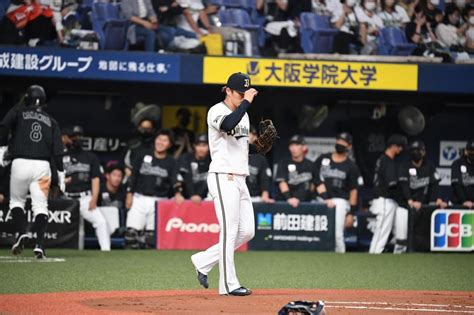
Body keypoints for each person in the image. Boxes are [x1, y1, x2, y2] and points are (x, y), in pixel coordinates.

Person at [191, 72, 261, 296]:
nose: (243, 97)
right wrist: (247, 102)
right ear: (227, 90)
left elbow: (242, 147)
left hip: (241, 177)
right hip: (222, 176)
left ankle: (203, 260)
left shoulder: (244, 114)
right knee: (229, 231)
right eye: (240, 93)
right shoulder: (217, 110)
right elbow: (228, 124)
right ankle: (229, 285)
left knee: (247, 231)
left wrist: (260, 147)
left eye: (246, 93)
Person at [0, 85, 64, 259]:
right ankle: (40, 245)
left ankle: (22, 233)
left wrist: (2, 148)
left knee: (17, 202)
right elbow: (58, 152)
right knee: (41, 207)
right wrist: (61, 173)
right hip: (42, 167)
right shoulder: (51, 120)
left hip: (20, 163)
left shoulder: (18, 112)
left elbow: (4, 126)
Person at [125, 129, 184, 249]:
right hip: (139, 198)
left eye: (165, 140)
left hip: (159, 201)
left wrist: (178, 193)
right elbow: (133, 176)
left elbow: (175, 180)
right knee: (131, 236)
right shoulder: (142, 154)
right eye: (159, 139)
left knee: (150, 239)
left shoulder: (171, 161)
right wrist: (129, 194)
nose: (161, 142)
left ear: (170, 144)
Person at [62, 125, 111, 251]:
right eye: (73, 137)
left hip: (85, 198)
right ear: (66, 138)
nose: (76, 139)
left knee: (101, 222)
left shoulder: (90, 156)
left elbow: (96, 178)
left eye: (78, 136)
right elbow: (53, 179)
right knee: (77, 231)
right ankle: (76, 257)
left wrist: (94, 199)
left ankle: (106, 251)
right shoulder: (60, 156)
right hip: (66, 198)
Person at [395, 140, 447, 253]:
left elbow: (435, 184)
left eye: (418, 150)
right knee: (401, 239)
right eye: (413, 150)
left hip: (422, 207)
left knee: (422, 238)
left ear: (424, 152)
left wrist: (438, 198)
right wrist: (410, 200)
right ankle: (396, 261)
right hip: (404, 206)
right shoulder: (405, 166)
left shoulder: (429, 166)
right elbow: (404, 186)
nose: (416, 153)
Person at [313, 132, 362, 253]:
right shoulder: (323, 158)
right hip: (320, 199)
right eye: (338, 141)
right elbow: (315, 178)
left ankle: (340, 258)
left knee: (336, 234)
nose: (340, 144)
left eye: (343, 142)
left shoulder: (351, 166)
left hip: (340, 201)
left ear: (349, 146)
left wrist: (351, 213)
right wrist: (323, 196)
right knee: (317, 232)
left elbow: (353, 191)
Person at [369, 134, 407, 254]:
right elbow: (392, 185)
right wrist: (404, 198)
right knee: (382, 232)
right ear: (394, 146)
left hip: (384, 200)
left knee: (397, 232)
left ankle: (397, 255)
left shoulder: (381, 159)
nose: (400, 150)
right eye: (400, 147)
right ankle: (373, 256)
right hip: (385, 200)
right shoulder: (388, 161)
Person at [275, 135, 314, 208]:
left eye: (297, 145)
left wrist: (326, 198)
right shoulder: (283, 163)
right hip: (285, 203)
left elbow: (317, 184)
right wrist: (289, 198)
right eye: (291, 145)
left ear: (304, 147)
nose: (293, 148)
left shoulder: (311, 165)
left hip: (306, 204)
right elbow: (282, 183)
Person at [178, 133, 211, 203]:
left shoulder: (212, 161)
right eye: (198, 145)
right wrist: (193, 195)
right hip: (186, 199)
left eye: (204, 145)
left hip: (205, 199)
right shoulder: (186, 158)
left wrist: (199, 195)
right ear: (194, 146)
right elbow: (185, 178)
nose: (201, 149)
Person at [98, 163, 129, 237]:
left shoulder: (124, 191)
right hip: (101, 223)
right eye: (114, 175)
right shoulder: (99, 189)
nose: (117, 178)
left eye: (119, 176)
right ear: (107, 176)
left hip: (118, 226)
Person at [247, 126, 274, 203]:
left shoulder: (260, 159)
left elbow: (265, 179)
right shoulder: (232, 153)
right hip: (234, 195)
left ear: (255, 137)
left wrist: (265, 195)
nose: (246, 136)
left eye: (249, 133)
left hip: (253, 198)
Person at [451, 140, 474, 209]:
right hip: (459, 204)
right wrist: (464, 201)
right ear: (466, 151)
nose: (473, 153)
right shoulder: (457, 164)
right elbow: (457, 185)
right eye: (471, 150)